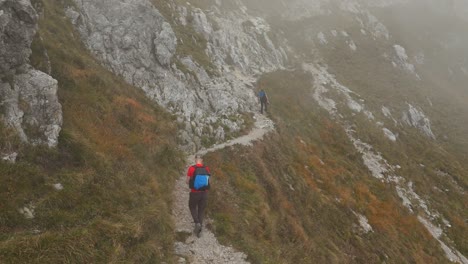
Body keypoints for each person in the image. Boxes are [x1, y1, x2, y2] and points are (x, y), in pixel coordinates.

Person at [186, 154, 210, 237]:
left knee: (192, 207)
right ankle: (199, 231)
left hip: (195, 192)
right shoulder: (206, 168)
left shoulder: (192, 168)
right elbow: (208, 180)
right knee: (201, 210)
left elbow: (187, 181)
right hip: (205, 193)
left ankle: (197, 223)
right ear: (202, 160)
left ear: (195, 160)